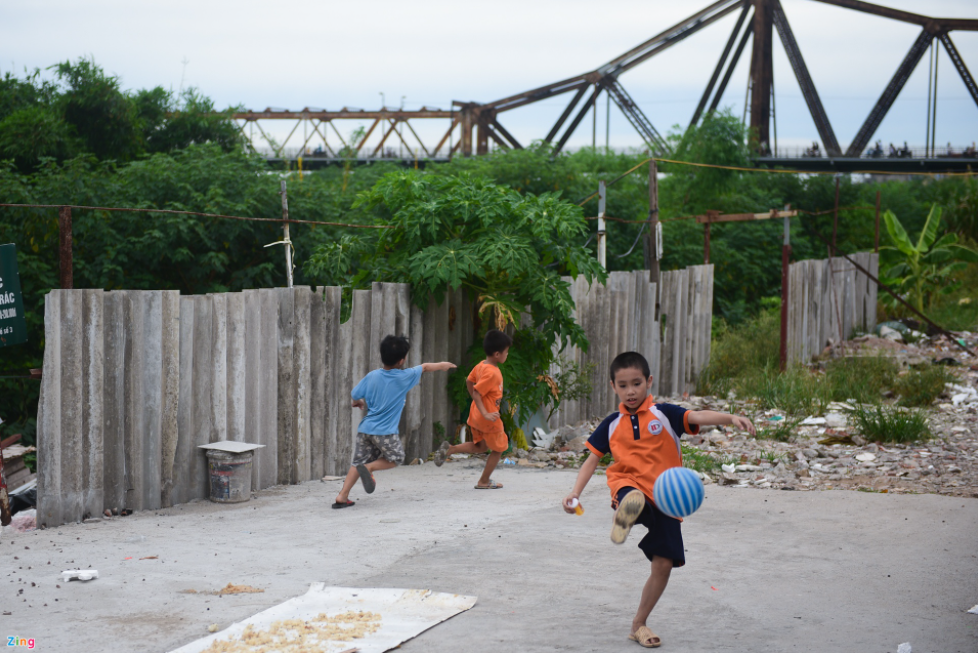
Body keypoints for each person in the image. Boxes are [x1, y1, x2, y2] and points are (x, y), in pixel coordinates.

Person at [562, 351, 755, 648]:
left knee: (664, 564)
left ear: (649, 382)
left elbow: (697, 416)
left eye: (636, 383)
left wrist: (730, 418)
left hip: (667, 497)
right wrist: (575, 492)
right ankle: (623, 517)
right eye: (623, 385)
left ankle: (638, 624)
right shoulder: (612, 424)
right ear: (613, 386)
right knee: (633, 497)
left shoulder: (664, 414)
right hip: (629, 485)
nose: (630, 391)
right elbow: (592, 460)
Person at [332, 335, 456, 508]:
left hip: (365, 430)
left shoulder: (372, 376)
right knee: (396, 457)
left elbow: (355, 394)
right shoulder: (404, 377)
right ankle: (370, 469)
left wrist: (357, 401)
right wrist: (442, 365)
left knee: (357, 462)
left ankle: (342, 496)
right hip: (385, 432)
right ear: (401, 360)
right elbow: (426, 367)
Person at [433, 329, 512, 489]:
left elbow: (469, 382)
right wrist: (486, 412)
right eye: (506, 352)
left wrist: (477, 404)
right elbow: (476, 391)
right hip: (488, 419)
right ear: (497, 354)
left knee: (481, 447)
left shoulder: (481, 366)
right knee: (499, 449)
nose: (507, 355)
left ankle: (450, 450)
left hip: (476, 416)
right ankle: (483, 481)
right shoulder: (493, 373)